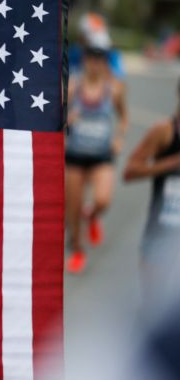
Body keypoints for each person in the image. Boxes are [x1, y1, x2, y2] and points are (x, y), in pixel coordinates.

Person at [64, 45, 128, 274]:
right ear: (85, 61)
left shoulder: (115, 90)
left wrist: (119, 138)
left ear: (104, 63)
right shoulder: (73, 87)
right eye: (90, 59)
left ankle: (91, 215)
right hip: (75, 156)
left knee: (103, 200)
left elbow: (123, 117)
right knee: (73, 206)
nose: (94, 64)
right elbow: (56, 119)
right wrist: (67, 120)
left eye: (99, 60)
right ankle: (78, 250)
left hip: (102, 155)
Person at [123, 79, 180, 307]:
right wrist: (171, 163)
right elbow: (130, 171)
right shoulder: (164, 131)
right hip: (161, 232)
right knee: (154, 307)